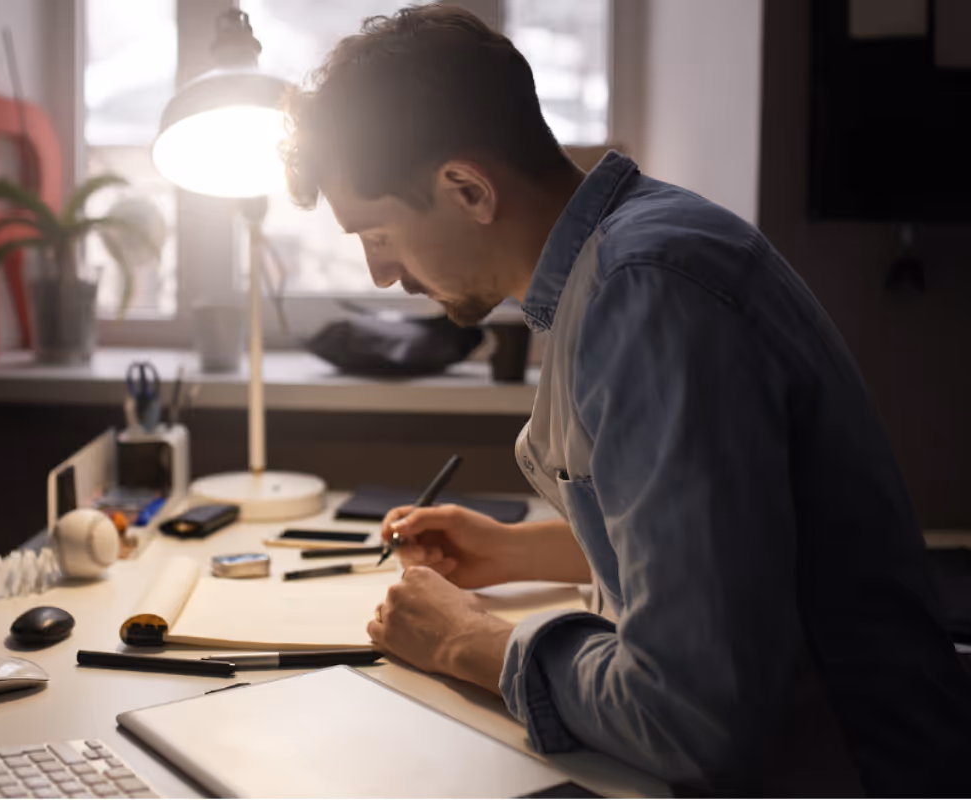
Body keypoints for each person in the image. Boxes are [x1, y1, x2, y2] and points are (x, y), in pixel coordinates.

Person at [281, 4, 971, 795]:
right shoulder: (626, 253)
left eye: (377, 235)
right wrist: (511, 550)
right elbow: (720, 548)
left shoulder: (648, 294)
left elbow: (695, 714)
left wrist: (469, 643)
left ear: (466, 187)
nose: (382, 275)